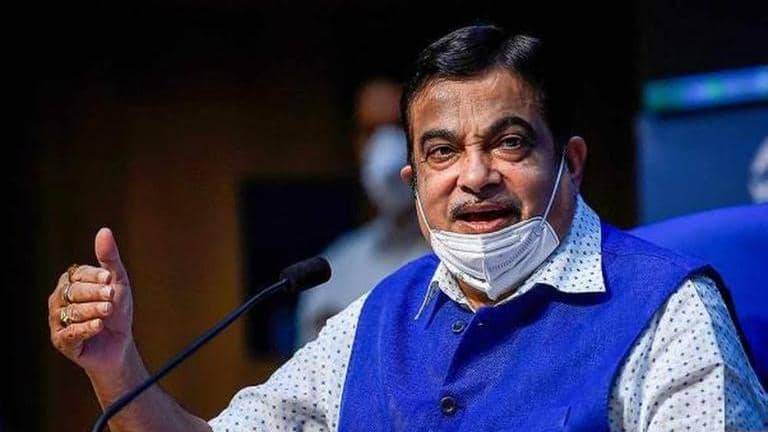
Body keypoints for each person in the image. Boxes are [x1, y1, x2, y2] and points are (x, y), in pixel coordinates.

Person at [47, 25, 768, 431]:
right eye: (442, 152)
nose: (475, 175)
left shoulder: (669, 312)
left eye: (509, 142)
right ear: (415, 181)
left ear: (570, 163)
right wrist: (116, 368)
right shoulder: (376, 318)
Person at [297, 121, 429, 345]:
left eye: (398, 126)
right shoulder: (334, 268)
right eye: (370, 131)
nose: (385, 144)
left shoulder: (465, 257)